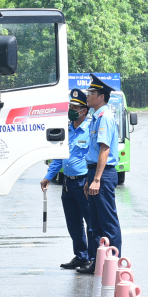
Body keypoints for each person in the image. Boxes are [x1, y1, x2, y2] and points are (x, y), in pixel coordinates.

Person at [41, 90, 93, 269]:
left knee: (90, 223)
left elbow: (93, 156)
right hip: (68, 184)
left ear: (84, 111)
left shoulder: (90, 130)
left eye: (75, 107)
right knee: (74, 223)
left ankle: (93, 259)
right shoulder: (67, 130)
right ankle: (80, 256)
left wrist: (90, 180)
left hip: (83, 182)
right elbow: (58, 158)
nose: (71, 110)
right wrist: (48, 177)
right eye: (70, 107)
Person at [79, 74, 121, 273]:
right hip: (94, 173)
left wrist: (96, 179)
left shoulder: (105, 117)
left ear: (101, 96)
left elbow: (104, 150)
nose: (88, 96)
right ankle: (97, 263)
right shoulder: (95, 117)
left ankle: (113, 263)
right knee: (94, 223)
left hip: (102, 174)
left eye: (91, 93)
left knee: (107, 221)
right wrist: (90, 178)